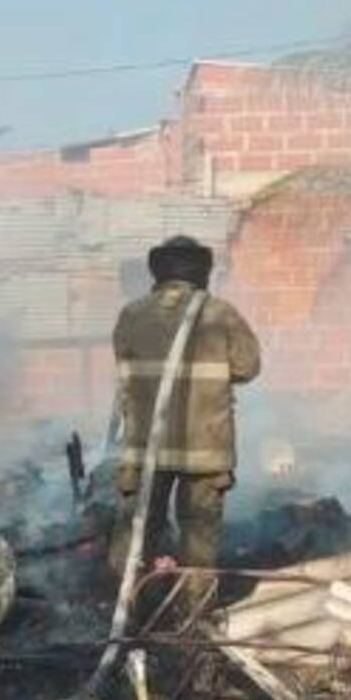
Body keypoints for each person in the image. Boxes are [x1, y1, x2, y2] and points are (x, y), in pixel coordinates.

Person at [110, 234, 261, 577]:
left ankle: (126, 608)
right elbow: (248, 366)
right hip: (204, 450)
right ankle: (191, 617)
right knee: (198, 540)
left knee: (137, 532)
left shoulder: (132, 315)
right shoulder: (220, 314)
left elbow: (125, 367)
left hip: (146, 448)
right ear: (202, 272)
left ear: (157, 273)